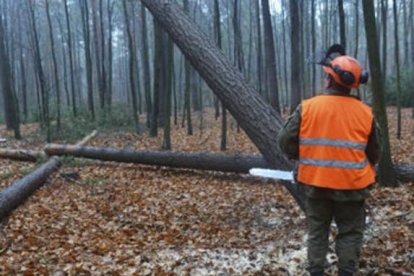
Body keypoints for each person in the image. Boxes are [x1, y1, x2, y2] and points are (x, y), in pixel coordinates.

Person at [277, 45, 382, 276]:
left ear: (329, 79)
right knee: (350, 233)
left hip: (316, 184)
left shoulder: (308, 107)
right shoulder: (365, 113)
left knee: (317, 231)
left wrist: (303, 155)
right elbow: (375, 152)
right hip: (353, 187)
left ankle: (316, 272)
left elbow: (284, 142)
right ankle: (346, 272)